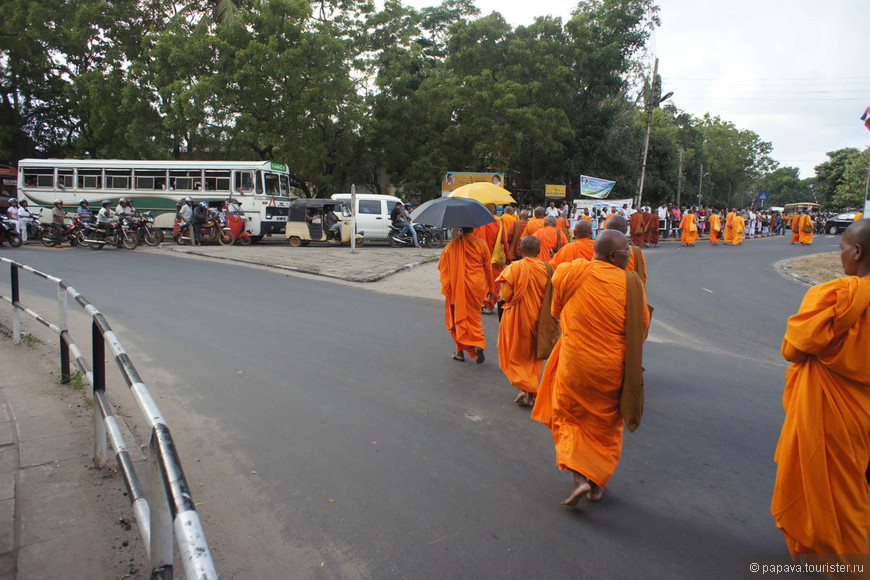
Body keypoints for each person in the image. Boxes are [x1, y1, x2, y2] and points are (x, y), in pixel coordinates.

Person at [771, 219, 870, 571]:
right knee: (849, 487)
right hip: (862, 412)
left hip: (830, 412)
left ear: (856, 252)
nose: (841, 254)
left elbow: (794, 348)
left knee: (836, 495)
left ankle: (851, 567)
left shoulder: (836, 295)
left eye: (843, 247)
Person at [532, 230, 650, 505]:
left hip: (575, 363)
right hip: (610, 369)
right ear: (612, 255)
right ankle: (597, 483)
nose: (629, 257)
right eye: (625, 253)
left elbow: (555, 309)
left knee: (570, 418)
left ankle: (579, 480)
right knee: (605, 425)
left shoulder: (571, 272)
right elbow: (642, 324)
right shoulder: (631, 284)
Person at [496, 236, 552, 407]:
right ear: (539, 250)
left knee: (517, 354)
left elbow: (505, 296)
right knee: (533, 356)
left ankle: (526, 388)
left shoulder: (515, 268)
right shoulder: (548, 269)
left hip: (516, 319)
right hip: (539, 320)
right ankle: (530, 390)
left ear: (519, 249)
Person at [438, 227, 493, 363]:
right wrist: (490, 288)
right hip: (477, 286)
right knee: (474, 316)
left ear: (461, 228)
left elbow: (442, 266)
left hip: (458, 286)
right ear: (473, 228)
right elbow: (488, 267)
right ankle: (478, 343)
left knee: (458, 316)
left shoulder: (453, 244)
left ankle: (460, 352)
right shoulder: (481, 244)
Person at [474, 204, 507, 314]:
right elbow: (504, 241)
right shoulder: (499, 223)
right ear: (494, 211)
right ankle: (489, 305)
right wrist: (508, 256)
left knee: (480, 281)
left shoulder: (477, 223)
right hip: (494, 257)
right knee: (493, 282)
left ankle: (479, 303)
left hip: (478, 258)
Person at [605, 216, 647, 284]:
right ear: (626, 230)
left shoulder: (600, 250)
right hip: (630, 290)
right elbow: (642, 276)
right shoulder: (635, 251)